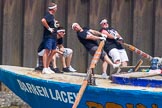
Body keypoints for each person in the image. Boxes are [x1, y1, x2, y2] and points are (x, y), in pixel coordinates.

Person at [40, 2, 58, 74]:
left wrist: (55, 24)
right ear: (53, 9)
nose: (57, 9)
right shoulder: (49, 15)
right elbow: (43, 20)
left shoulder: (52, 16)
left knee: (53, 51)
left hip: (53, 37)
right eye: (56, 8)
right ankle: (44, 68)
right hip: (49, 36)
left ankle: (47, 67)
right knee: (47, 51)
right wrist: (49, 28)